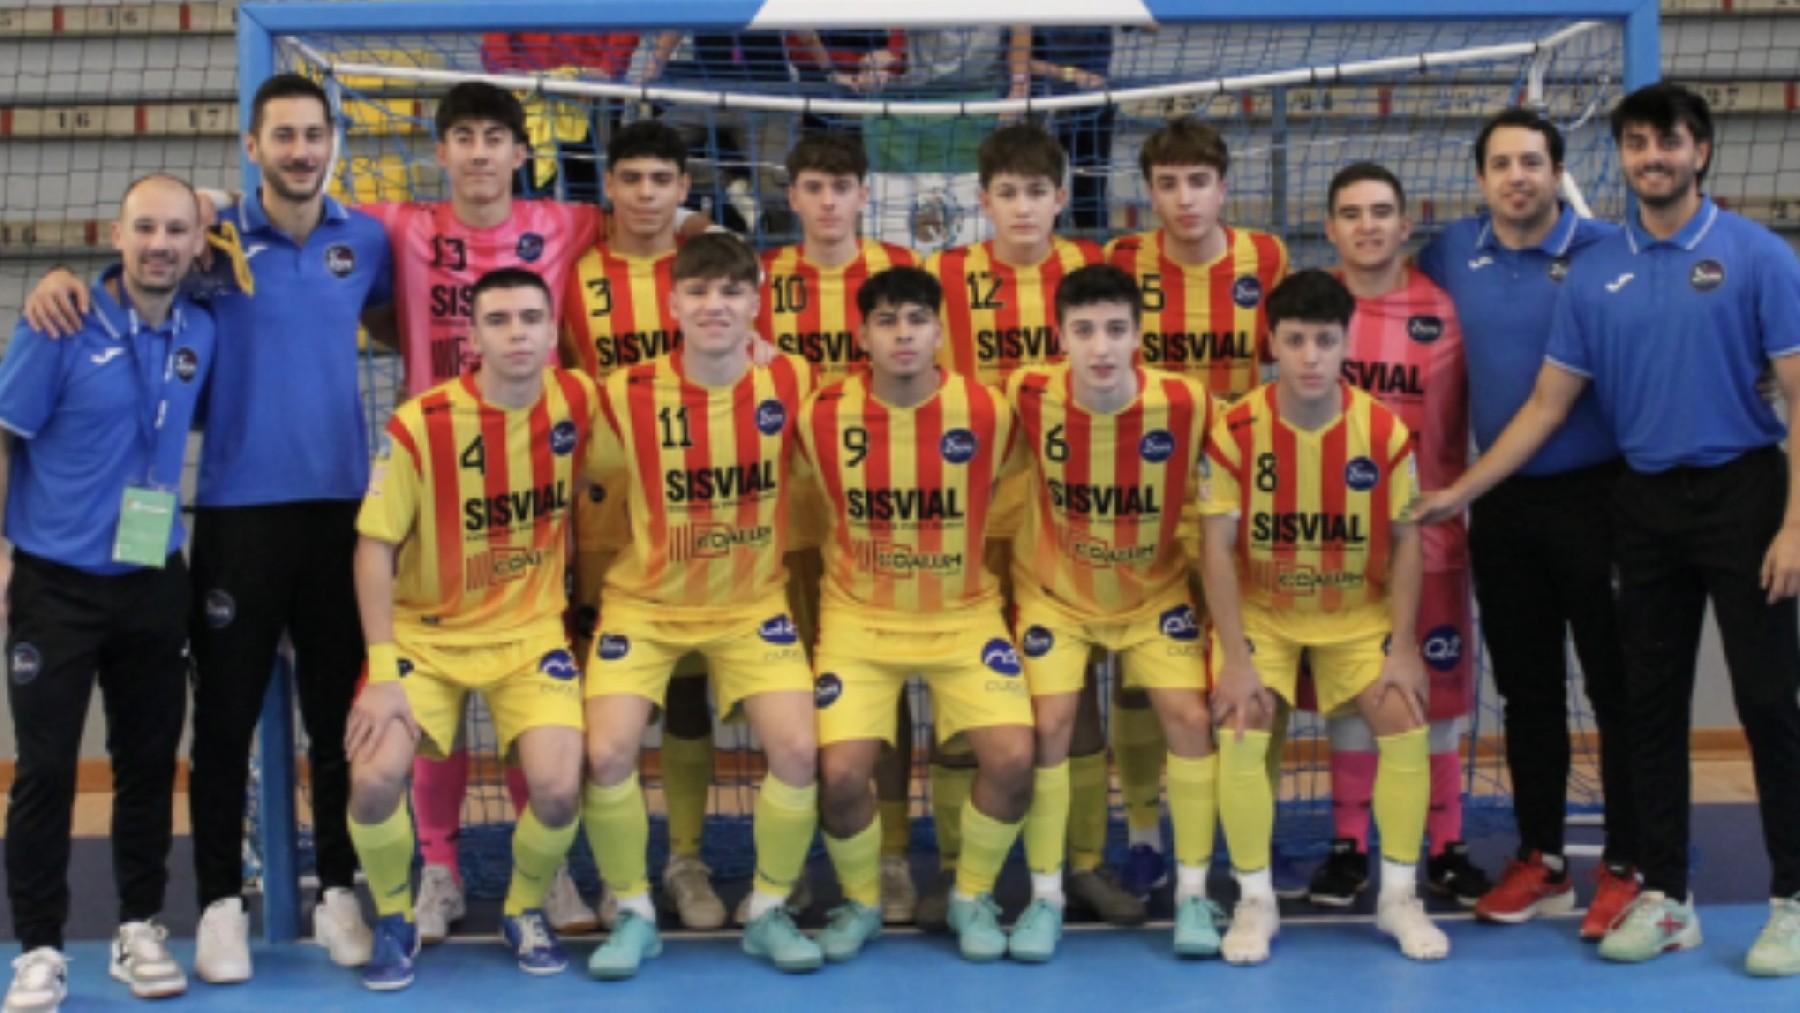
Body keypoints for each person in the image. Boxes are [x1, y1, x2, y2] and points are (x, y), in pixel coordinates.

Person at [1413, 82, 1800, 976]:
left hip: (1744, 495)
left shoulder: (1758, 254)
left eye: (1668, 142)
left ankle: (1791, 896)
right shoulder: (1594, 271)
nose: (1652, 157)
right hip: (1645, 505)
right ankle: (1666, 896)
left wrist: (1794, 524)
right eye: (1636, 144)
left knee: (1769, 700)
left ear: (1701, 151)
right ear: (1620, 158)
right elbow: (1547, 407)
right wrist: (1458, 491)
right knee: (1650, 704)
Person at [22, 74, 396, 981]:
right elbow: (142, 261)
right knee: (223, 722)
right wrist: (65, 278)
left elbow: (403, 320)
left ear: (333, 142)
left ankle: (338, 888)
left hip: (341, 514)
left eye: (313, 134)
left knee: (336, 718)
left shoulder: (366, 239)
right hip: (234, 517)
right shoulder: (212, 243)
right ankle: (222, 901)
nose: (300, 150)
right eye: (282, 136)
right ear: (251, 144)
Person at [1414, 107, 1638, 937]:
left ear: (1557, 173)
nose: (1518, 177)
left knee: (1617, 688)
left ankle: (1629, 864)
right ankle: (1541, 858)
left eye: (1533, 162)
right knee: (1526, 690)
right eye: (1502, 164)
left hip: (1604, 498)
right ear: (1481, 179)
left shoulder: (1610, 249)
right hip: (1503, 502)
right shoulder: (1451, 253)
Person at [579, 235, 822, 979]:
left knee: (798, 750)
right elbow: (580, 479)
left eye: (731, 292)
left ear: (756, 302)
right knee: (606, 753)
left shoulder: (794, 378)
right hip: (645, 604)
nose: (715, 306)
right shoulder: (625, 391)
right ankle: (634, 911)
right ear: (673, 304)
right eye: (698, 292)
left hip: (751, 604)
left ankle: (769, 908)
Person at [345, 268, 594, 991]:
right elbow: (373, 546)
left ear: (551, 333)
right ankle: (396, 915)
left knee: (558, 790)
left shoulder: (580, 400)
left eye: (531, 319)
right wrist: (382, 671)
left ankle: (523, 908)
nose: (517, 333)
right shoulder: (420, 424)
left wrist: (754, 345)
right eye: (499, 320)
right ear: (474, 337)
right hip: (426, 638)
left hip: (529, 637)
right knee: (373, 781)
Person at [1, 173, 214, 1011]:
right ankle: (39, 949)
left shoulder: (202, 328)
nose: (161, 244)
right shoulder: (58, 321)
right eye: (145, 228)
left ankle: (139, 927)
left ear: (197, 243)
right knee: (47, 769)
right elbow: (5, 437)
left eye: (178, 230)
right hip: (54, 583)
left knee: (149, 763)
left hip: (152, 577)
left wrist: (215, 207)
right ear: (116, 236)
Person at [921, 124, 1135, 930]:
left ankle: (1082, 864)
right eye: (1006, 193)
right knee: (961, 698)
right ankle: (955, 872)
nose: (1021, 207)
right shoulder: (943, 273)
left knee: (1073, 695)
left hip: (1067, 515)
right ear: (983, 200)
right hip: (966, 517)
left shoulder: (1089, 269)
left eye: (1036, 192)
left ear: (1061, 197)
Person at [1202, 269, 1448, 965]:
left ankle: (1398, 896)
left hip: (1355, 614)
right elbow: (1215, 549)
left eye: (1325, 340)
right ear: (1272, 342)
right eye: (1295, 340)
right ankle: (1255, 901)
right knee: (1241, 723)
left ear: (1346, 342)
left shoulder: (1382, 429)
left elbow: (1406, 542)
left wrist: (1404, 645)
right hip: (1265, 614)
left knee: (1405, 718)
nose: (1310, 356)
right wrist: (1236, 658)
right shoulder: (1235, 428)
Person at [802, 265, 1037, 964]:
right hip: (859, 621)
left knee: (1014, 761)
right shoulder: (820, 414)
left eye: (916, 320)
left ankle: (971, 895)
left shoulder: (990, 411)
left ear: (940, 332)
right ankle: (861, 901)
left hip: (964, 617)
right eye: (886, 321)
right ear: (862, 336)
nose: (902, 334)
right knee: (841, 775)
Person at [1005, 264, 1221, 962]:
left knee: (1190, 720)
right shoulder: (1026, 391)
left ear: (1139, 334)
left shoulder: (1187, 402)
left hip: (1154, 595)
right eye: (1084, 330)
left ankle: (1193, 892)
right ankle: (1045, 896)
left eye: (1116, 329)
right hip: (1056, 596)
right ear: (1059, 336)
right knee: (1048, 726)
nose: (1100, 346)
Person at [1103, 115, 1290, 898]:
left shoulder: (1265, 257)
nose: (1185, 198)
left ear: (1224, 187)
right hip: (1144, 501)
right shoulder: (1121, 260)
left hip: (1241, 500)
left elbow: (1288, 359)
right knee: (1141, 677)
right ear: (1149, 194)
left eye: (1199, 181)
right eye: (1168, 183)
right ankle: (1145, 834)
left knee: (1255, 668)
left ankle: (1254, 831)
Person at [562, 118, 734, 933]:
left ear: (683, 188)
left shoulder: (709, 269)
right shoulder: (575, 273)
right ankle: (616, 872)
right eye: (630, 178)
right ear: (608, 186)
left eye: (661, 179)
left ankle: (686, 858)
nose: (644, 193)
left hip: (697, 510)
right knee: (610, 705)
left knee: (690, 690)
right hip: (603, 515)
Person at [1303, 162, 1489, 909]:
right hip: (1330, 546)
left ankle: (1446, 847)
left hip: (1430, 539)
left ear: (1406, 224)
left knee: (1432, 697)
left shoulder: (1445, 311)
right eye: (1351, 213)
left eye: (1381, 212)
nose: (1367, 225)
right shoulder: (1312, 307)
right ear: (1330, 228)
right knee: (1351, 698)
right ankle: (1349, 846)